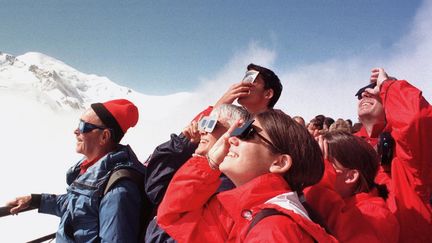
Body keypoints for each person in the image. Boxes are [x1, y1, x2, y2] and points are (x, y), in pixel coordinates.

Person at [157, 109, 336, 242]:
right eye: (236, 132)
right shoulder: (245, 211)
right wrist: (209, 162)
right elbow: (176, 216)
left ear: (279, 163)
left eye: (247, 133)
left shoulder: (273, 230)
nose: (231, 139)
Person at [6, 99, 146, 242]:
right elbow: (77, 205)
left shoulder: (118, 190)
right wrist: (35, 200)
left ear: (104, 136)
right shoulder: (93, 169)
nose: (75, 131)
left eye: (83, 126)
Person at [145, 104, 249, 242]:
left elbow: (175, 230)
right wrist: (183, 143)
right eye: (203, 123)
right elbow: (156, 188)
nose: (203, 131)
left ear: (235, 132)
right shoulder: (200, 170)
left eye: (212, 124)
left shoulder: (226, 185)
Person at [355, 68, 432, 242]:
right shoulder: (346, 146)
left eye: (374, 92)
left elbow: (416, 119)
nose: (365, 94)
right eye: (361, 94)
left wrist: (387, 86)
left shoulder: (407, 148)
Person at [305, 131, 399, 242]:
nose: (317, 166)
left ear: (350, 176)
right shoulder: (345, 207)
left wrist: (319, 179)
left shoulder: (372, 216)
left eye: (326, 161)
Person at [215, 63, 283, 115]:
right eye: (246, 79)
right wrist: (220, 105)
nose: (243, 84)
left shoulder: (283, 126)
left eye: (252, 80)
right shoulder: (231, 120)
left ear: (268, 94)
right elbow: (205, 131)